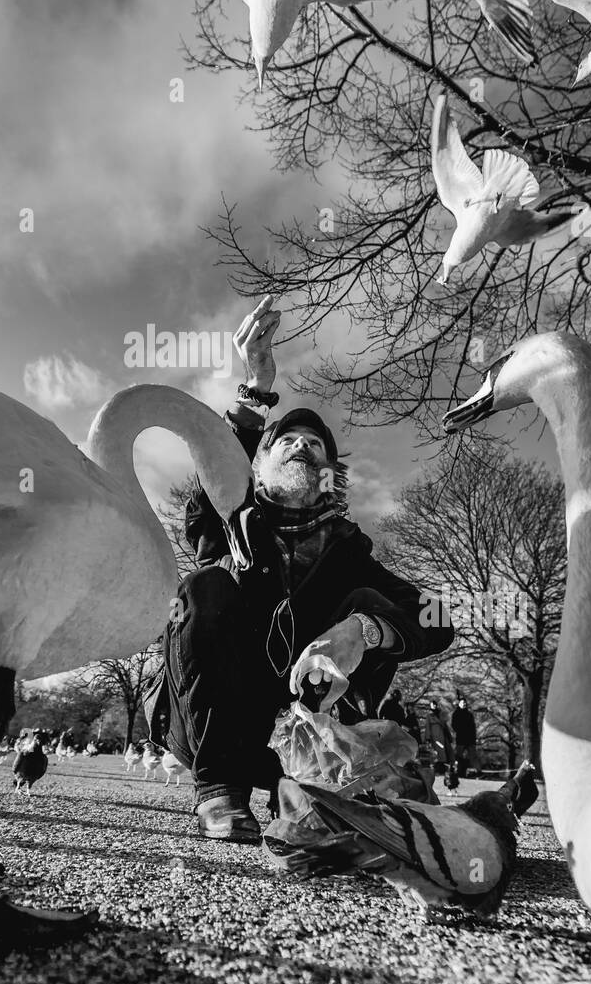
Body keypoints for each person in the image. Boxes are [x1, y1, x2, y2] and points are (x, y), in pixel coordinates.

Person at [150, 296, 455, 843]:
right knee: (205, 585)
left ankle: (311, 783)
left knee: (367, 599)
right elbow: (213, 490)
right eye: (286, 441)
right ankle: (220, 790)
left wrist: (363, 631)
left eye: (315, 445)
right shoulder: (228, 524)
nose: (302, 446)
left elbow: (437, 617)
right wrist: (255, 394)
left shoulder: (351, 552)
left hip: (307, 730)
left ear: (328, 478)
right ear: (259, 468)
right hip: (215, 724)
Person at [451, 696, 478, 776]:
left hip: (470, 739)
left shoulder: (469, 714)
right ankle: (458, 771)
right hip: (461, 738)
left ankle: (478, 771)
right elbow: (454, 725)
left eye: (465, 703)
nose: (464, 704)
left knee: (473, 756)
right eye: (462, 702)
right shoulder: (456, 714)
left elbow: (473, 727)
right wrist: (460, 731)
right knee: (458, 756)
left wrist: (474, 738)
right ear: (459, 704)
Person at [420, 700, 452, 765]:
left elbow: (445, 726)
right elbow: (428, 726)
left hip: (442, 735)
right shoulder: (429, 716)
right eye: (432, 705)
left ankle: (444, 765)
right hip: (435, 736)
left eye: (435, 704)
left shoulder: (440, 714)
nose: (434, 706)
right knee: (437, 752)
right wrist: (428, 738)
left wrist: (449, 736)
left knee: (445, 752)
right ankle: (438, 766)